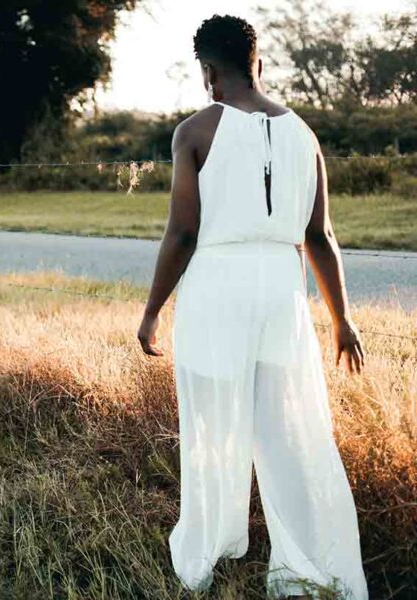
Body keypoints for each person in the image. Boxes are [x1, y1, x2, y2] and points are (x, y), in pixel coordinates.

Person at [136, 15, 368, 599]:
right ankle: (309, 563)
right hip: (281, 291)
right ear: (257, 62)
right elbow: (321, 237)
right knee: (292, 429)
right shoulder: (305, 135)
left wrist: (151, 309)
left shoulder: (193, 132)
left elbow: (182, 235)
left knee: (213, 423)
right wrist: (343, 319)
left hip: (217, 288)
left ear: (209, 71)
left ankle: (208, 549)